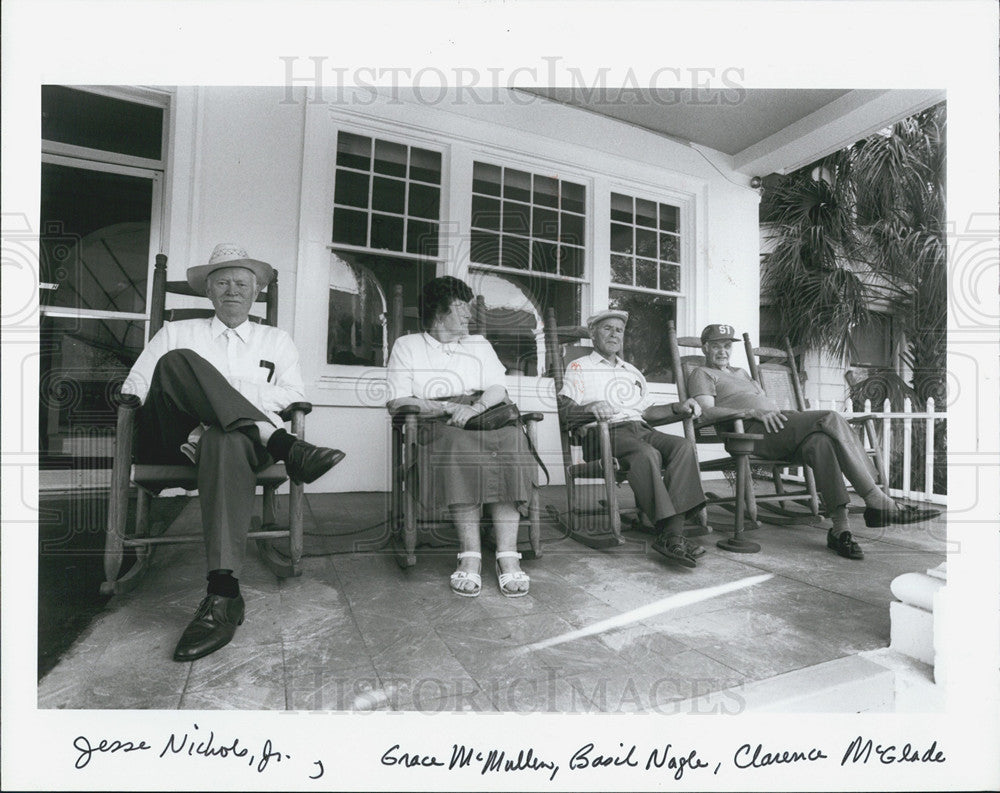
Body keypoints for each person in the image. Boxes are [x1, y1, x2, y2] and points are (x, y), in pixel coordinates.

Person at [122, 243, 346, 662]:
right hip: (174, 440)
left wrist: (224, 400)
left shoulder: (276, 340)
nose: (232, 290)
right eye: (222, 282)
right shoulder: (176, 333)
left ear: (256, 291)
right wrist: (216, 395)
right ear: (208, 292)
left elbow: (296, 396)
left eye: (242, 283)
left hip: (236, 448)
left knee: (223, 438)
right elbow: (135, 387)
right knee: (176, 362)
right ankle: (284, 445)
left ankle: (223, 594)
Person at [688, 323, 940, 560]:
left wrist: (769, 411)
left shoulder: (741, 373)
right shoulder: (702, 373)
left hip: (778, 426)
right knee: (829, 417)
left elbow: (763, 402)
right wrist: (751, 413)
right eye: (716, 345)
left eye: (727, 345)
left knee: (821, 443)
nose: (723, 351)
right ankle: (875, 498)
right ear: (705, 348)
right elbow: (706, 412)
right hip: (749, 433)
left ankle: (840, 530)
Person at [385, 276, 535, 598]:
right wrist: (448, 407)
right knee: (457, 444)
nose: (469, 315)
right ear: (439, 312)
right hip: (436, 420)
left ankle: (507, 554)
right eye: (461, 308)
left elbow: (498, 387)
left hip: (484, 415)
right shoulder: (407, 346)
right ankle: (470, 554)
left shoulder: (478, 344)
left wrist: (476, 406)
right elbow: (398, 401)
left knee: (512, 441)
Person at [557, 310, 708, 567]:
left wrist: (677, 407)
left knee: (683, 447)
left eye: (619, 330)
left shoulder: (632, 372)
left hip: (640, 428)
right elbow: (565, 410)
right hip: (602, 434)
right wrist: (590, 406)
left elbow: (648, 411)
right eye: (607, 329)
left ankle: (671, 533)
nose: (615, 334)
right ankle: (671, 533)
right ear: (593, 334)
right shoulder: (579, 367)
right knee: (647, 454)